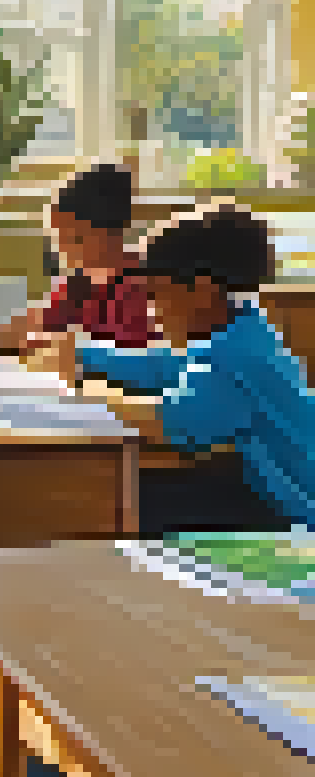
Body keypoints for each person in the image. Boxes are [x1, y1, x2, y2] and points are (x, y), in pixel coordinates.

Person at [37, 204, 315, 535]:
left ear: (200, 292)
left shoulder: (230, 359)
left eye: (155, 294)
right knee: (129, 490)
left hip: (286, 513)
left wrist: (83, 393)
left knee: (111, 497)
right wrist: (85, 354)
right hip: (262, 489)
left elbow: (169, 423)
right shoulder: (238, 327)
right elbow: (163, 365)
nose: (150, 310)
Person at [0, 163, 154, 352]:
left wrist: (55, 348)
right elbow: (41, 322)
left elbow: (132, 356)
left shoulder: (138, 289)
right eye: (58, 237)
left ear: (107, 235)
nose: (62, 248)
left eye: (72, 238)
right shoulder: (79, 283)